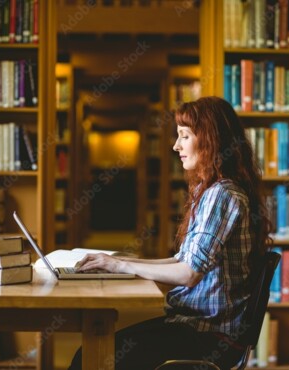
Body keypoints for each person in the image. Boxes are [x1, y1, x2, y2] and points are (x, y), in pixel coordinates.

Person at [69, 96, 271, 370]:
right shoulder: (213, 191)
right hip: (194, 325)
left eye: (184, 136)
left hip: (207, 335)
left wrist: (119, 264)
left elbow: (188, 274)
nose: (176, 145)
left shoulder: (222, 195)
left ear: (210, 139)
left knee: (91, 357)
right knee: (92, 352)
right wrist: (115, 263)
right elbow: (181, 260)